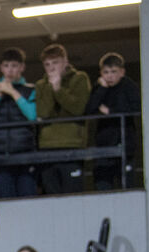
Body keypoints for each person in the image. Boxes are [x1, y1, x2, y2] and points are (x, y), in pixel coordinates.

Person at [0, 47, 39, 198]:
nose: (10, 70)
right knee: (6, 201)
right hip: (0, 156)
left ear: (22, 67)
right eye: (6, 66)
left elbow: (33, 115)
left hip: (25, 154)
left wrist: (13, 92)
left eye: (14, 66)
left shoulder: (30, 90)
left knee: (28, 199)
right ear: (1, 68)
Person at [34, 44, 90, 195]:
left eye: (55, 62)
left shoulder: (79, 79)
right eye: (47, 64)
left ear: (65, 61)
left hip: (72, 144)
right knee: (52, 194)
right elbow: (43, 112)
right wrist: (52, 87)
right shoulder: (40, 85)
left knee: (73, 193)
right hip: (47, 147)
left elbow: (78, 109)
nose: (51, 68)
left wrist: (59, 89)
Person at [85, 52, 140, 191]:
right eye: (106, 72)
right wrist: (102, 89)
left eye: (113, 72)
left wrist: (110, 112)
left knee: (127, 189)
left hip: (125, 146)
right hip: (103, 146)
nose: (109, 76)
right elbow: (89, 109)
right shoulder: (99, 87)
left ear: (122, 72)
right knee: (102, 187)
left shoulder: (129, 86)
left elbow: (136, 108)